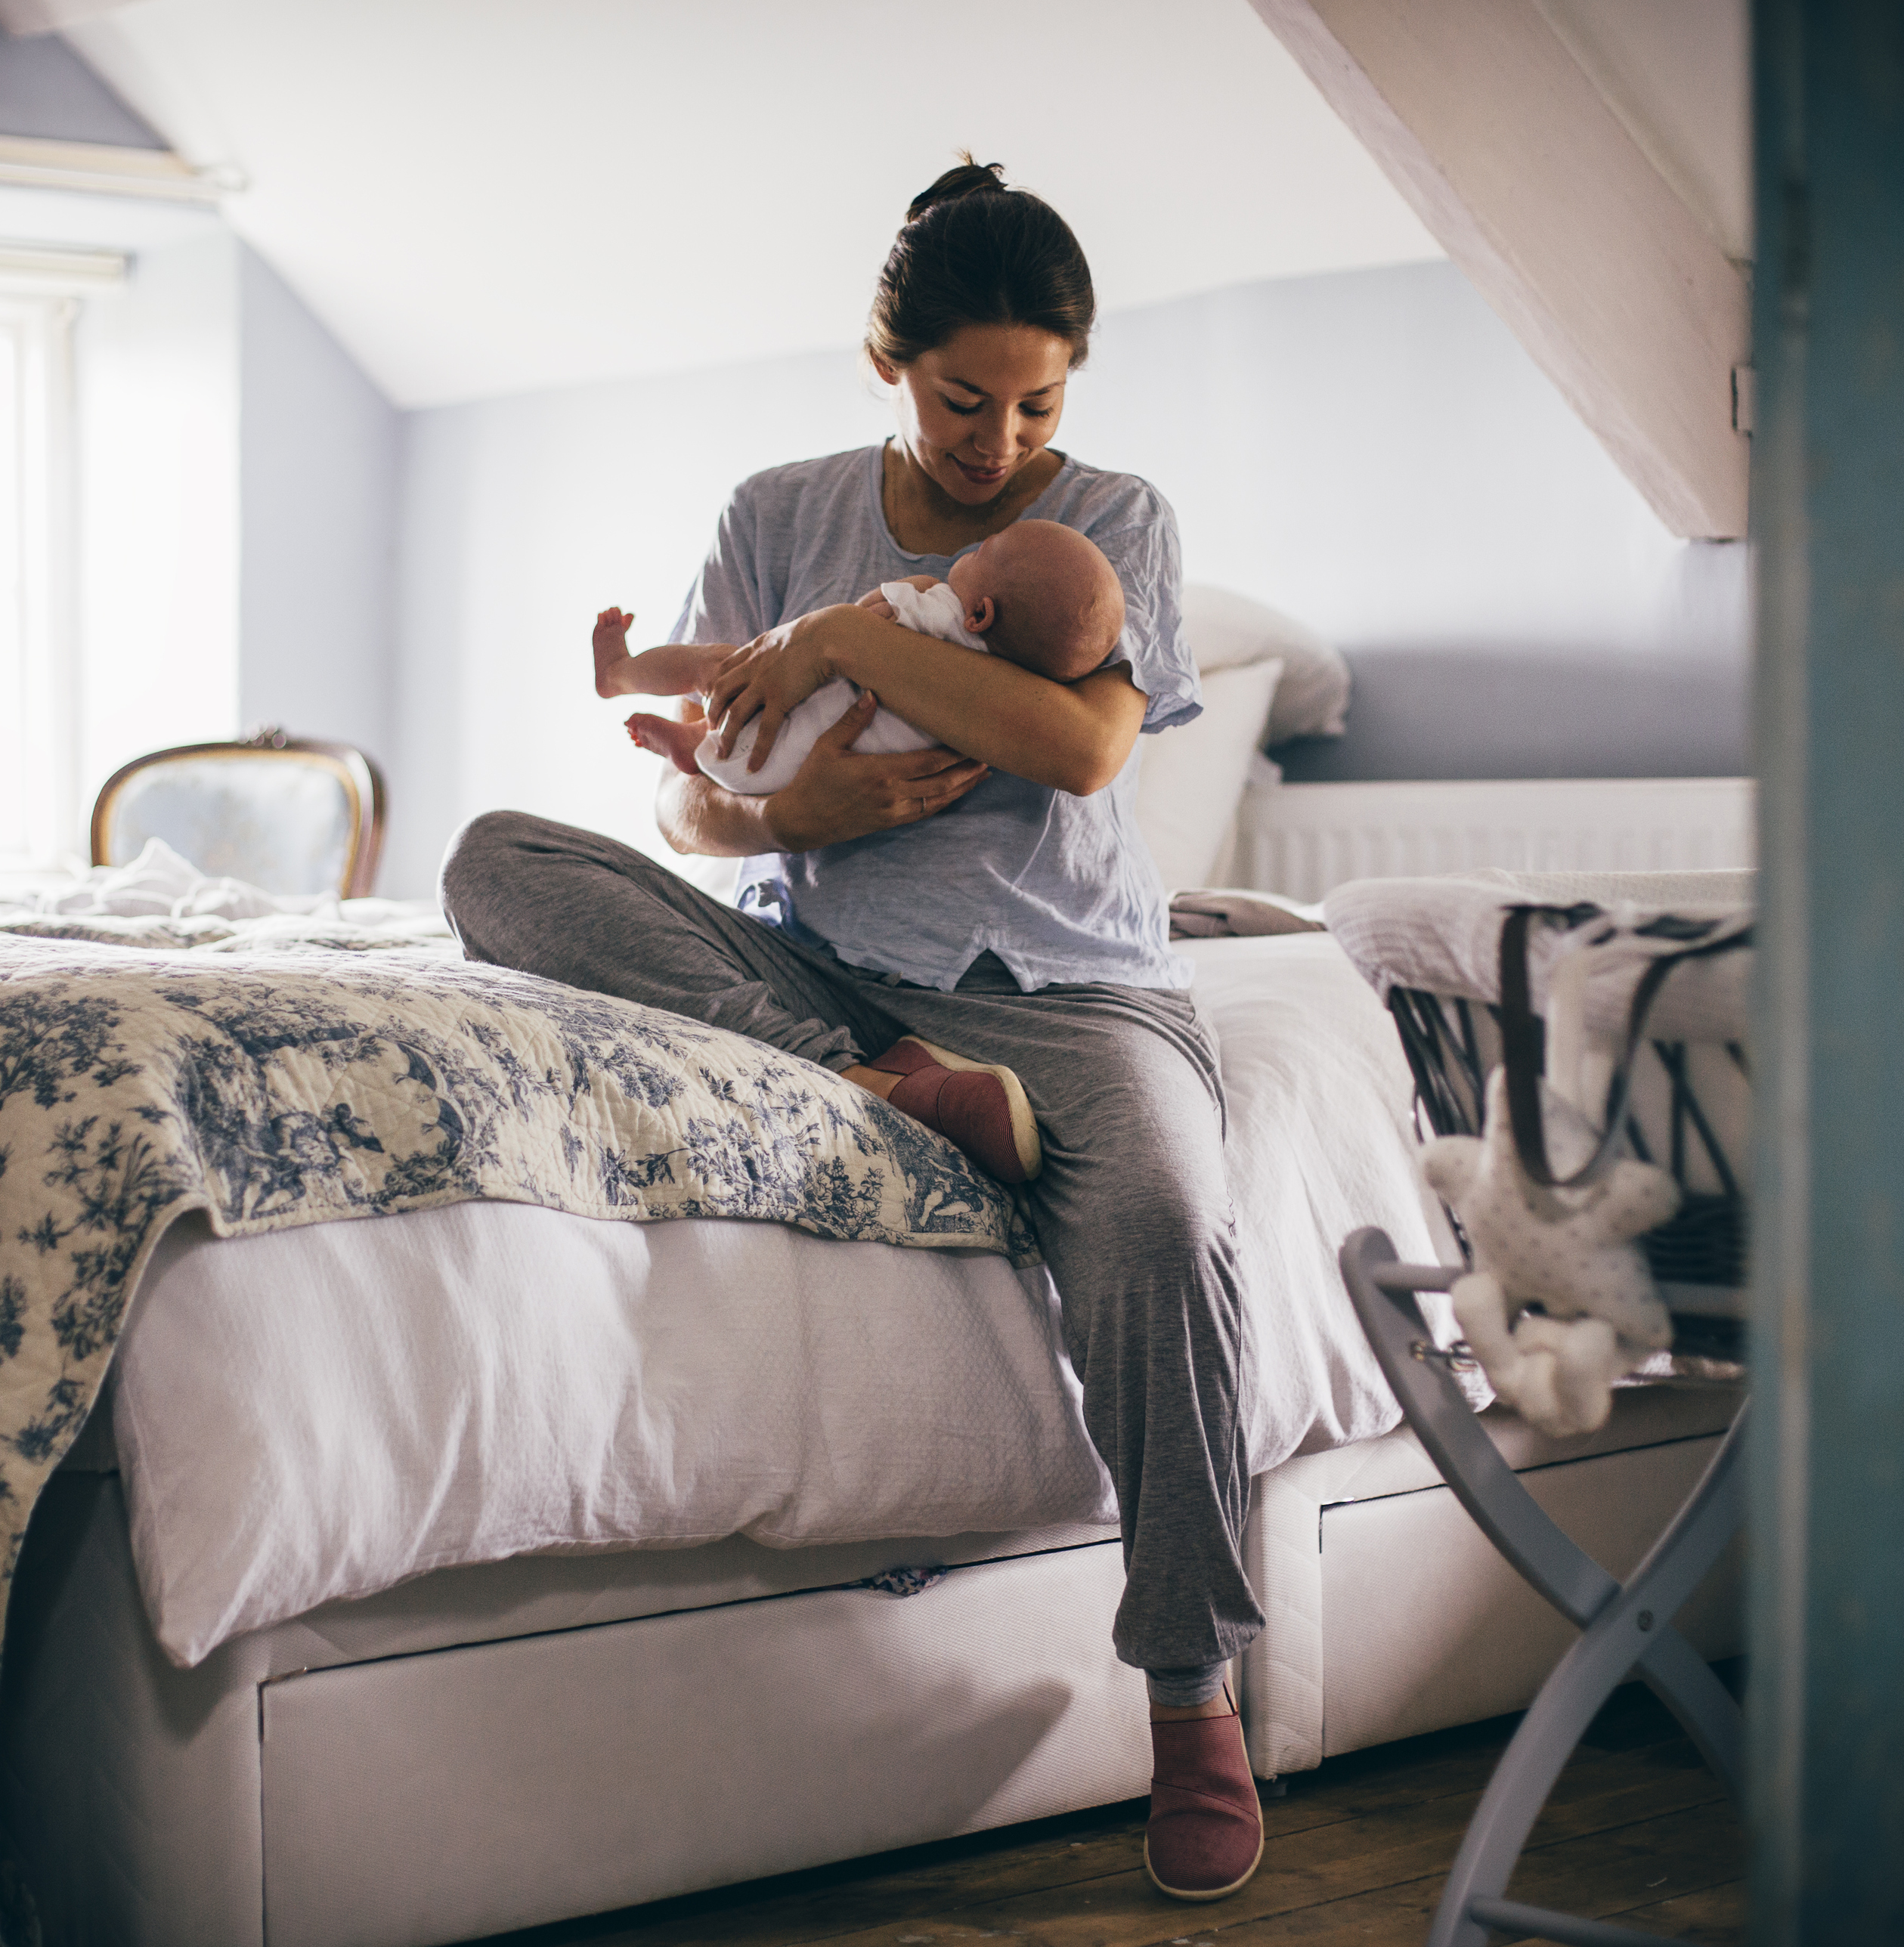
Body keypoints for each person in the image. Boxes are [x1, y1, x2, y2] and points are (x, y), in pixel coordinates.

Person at [441, 157, 1265, 1902]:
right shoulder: (782, 506)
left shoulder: (1111, 519)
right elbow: (688, 809)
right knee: (498, 860)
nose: (1001, 437)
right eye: (967, 399)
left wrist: (841, 641)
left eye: (1040, 398)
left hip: (1066, 991)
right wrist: (799, 819)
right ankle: (875, 1086)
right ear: (890, 362)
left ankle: (1193, 1696)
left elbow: (1084, 751)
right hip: (822, 973)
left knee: (1170, 1228)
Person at [592, 515, 1125, 795]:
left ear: (981, 616)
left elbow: (867, 618)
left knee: (714, 665)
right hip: (784, 769)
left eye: (983, 551)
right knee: (727, 724)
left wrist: (899, 595)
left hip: (776, 730)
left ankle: (620, 674)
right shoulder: (1000, 694)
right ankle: (693, 747)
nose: (973, 547)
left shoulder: (940, 614)